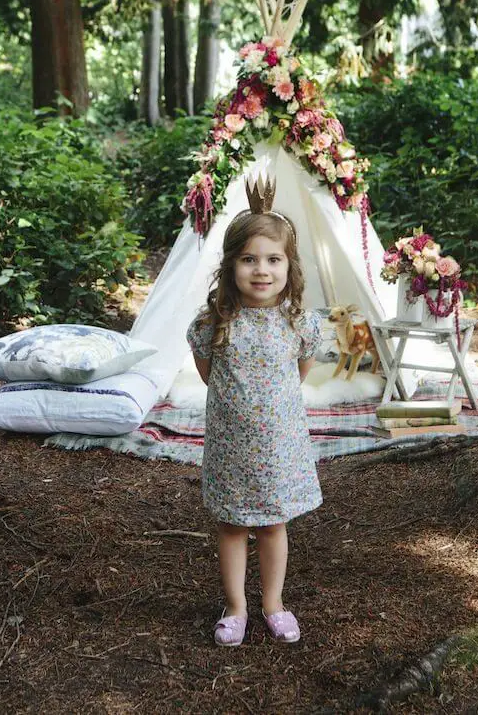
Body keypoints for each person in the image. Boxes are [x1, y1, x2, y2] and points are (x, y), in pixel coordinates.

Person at [186, 200, 322, 648]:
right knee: (231, 526)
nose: (261, 270)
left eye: (273, 259)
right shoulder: (214, 323)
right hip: (230, 447)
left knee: (272, 525)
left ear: (289, 266)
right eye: (249, 259)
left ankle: (273, 603)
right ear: (231, 266)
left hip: (280, 448)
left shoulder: (298, 323)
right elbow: (208, 374)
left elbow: (300, 373)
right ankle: (236, 607)